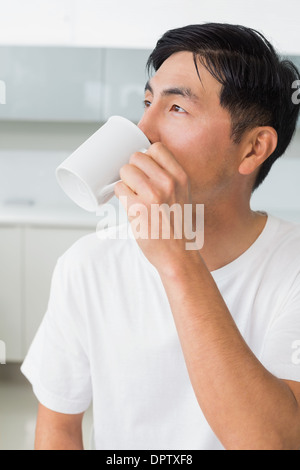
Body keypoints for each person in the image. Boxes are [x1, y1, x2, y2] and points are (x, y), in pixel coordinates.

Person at [21, 23, 300, 450]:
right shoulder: (88, 263)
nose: (143, 129)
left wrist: (177, 258)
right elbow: (59, 426)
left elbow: (274, 442)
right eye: (147, 101)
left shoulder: (293, 269)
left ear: (253, 148)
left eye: (176, 109)